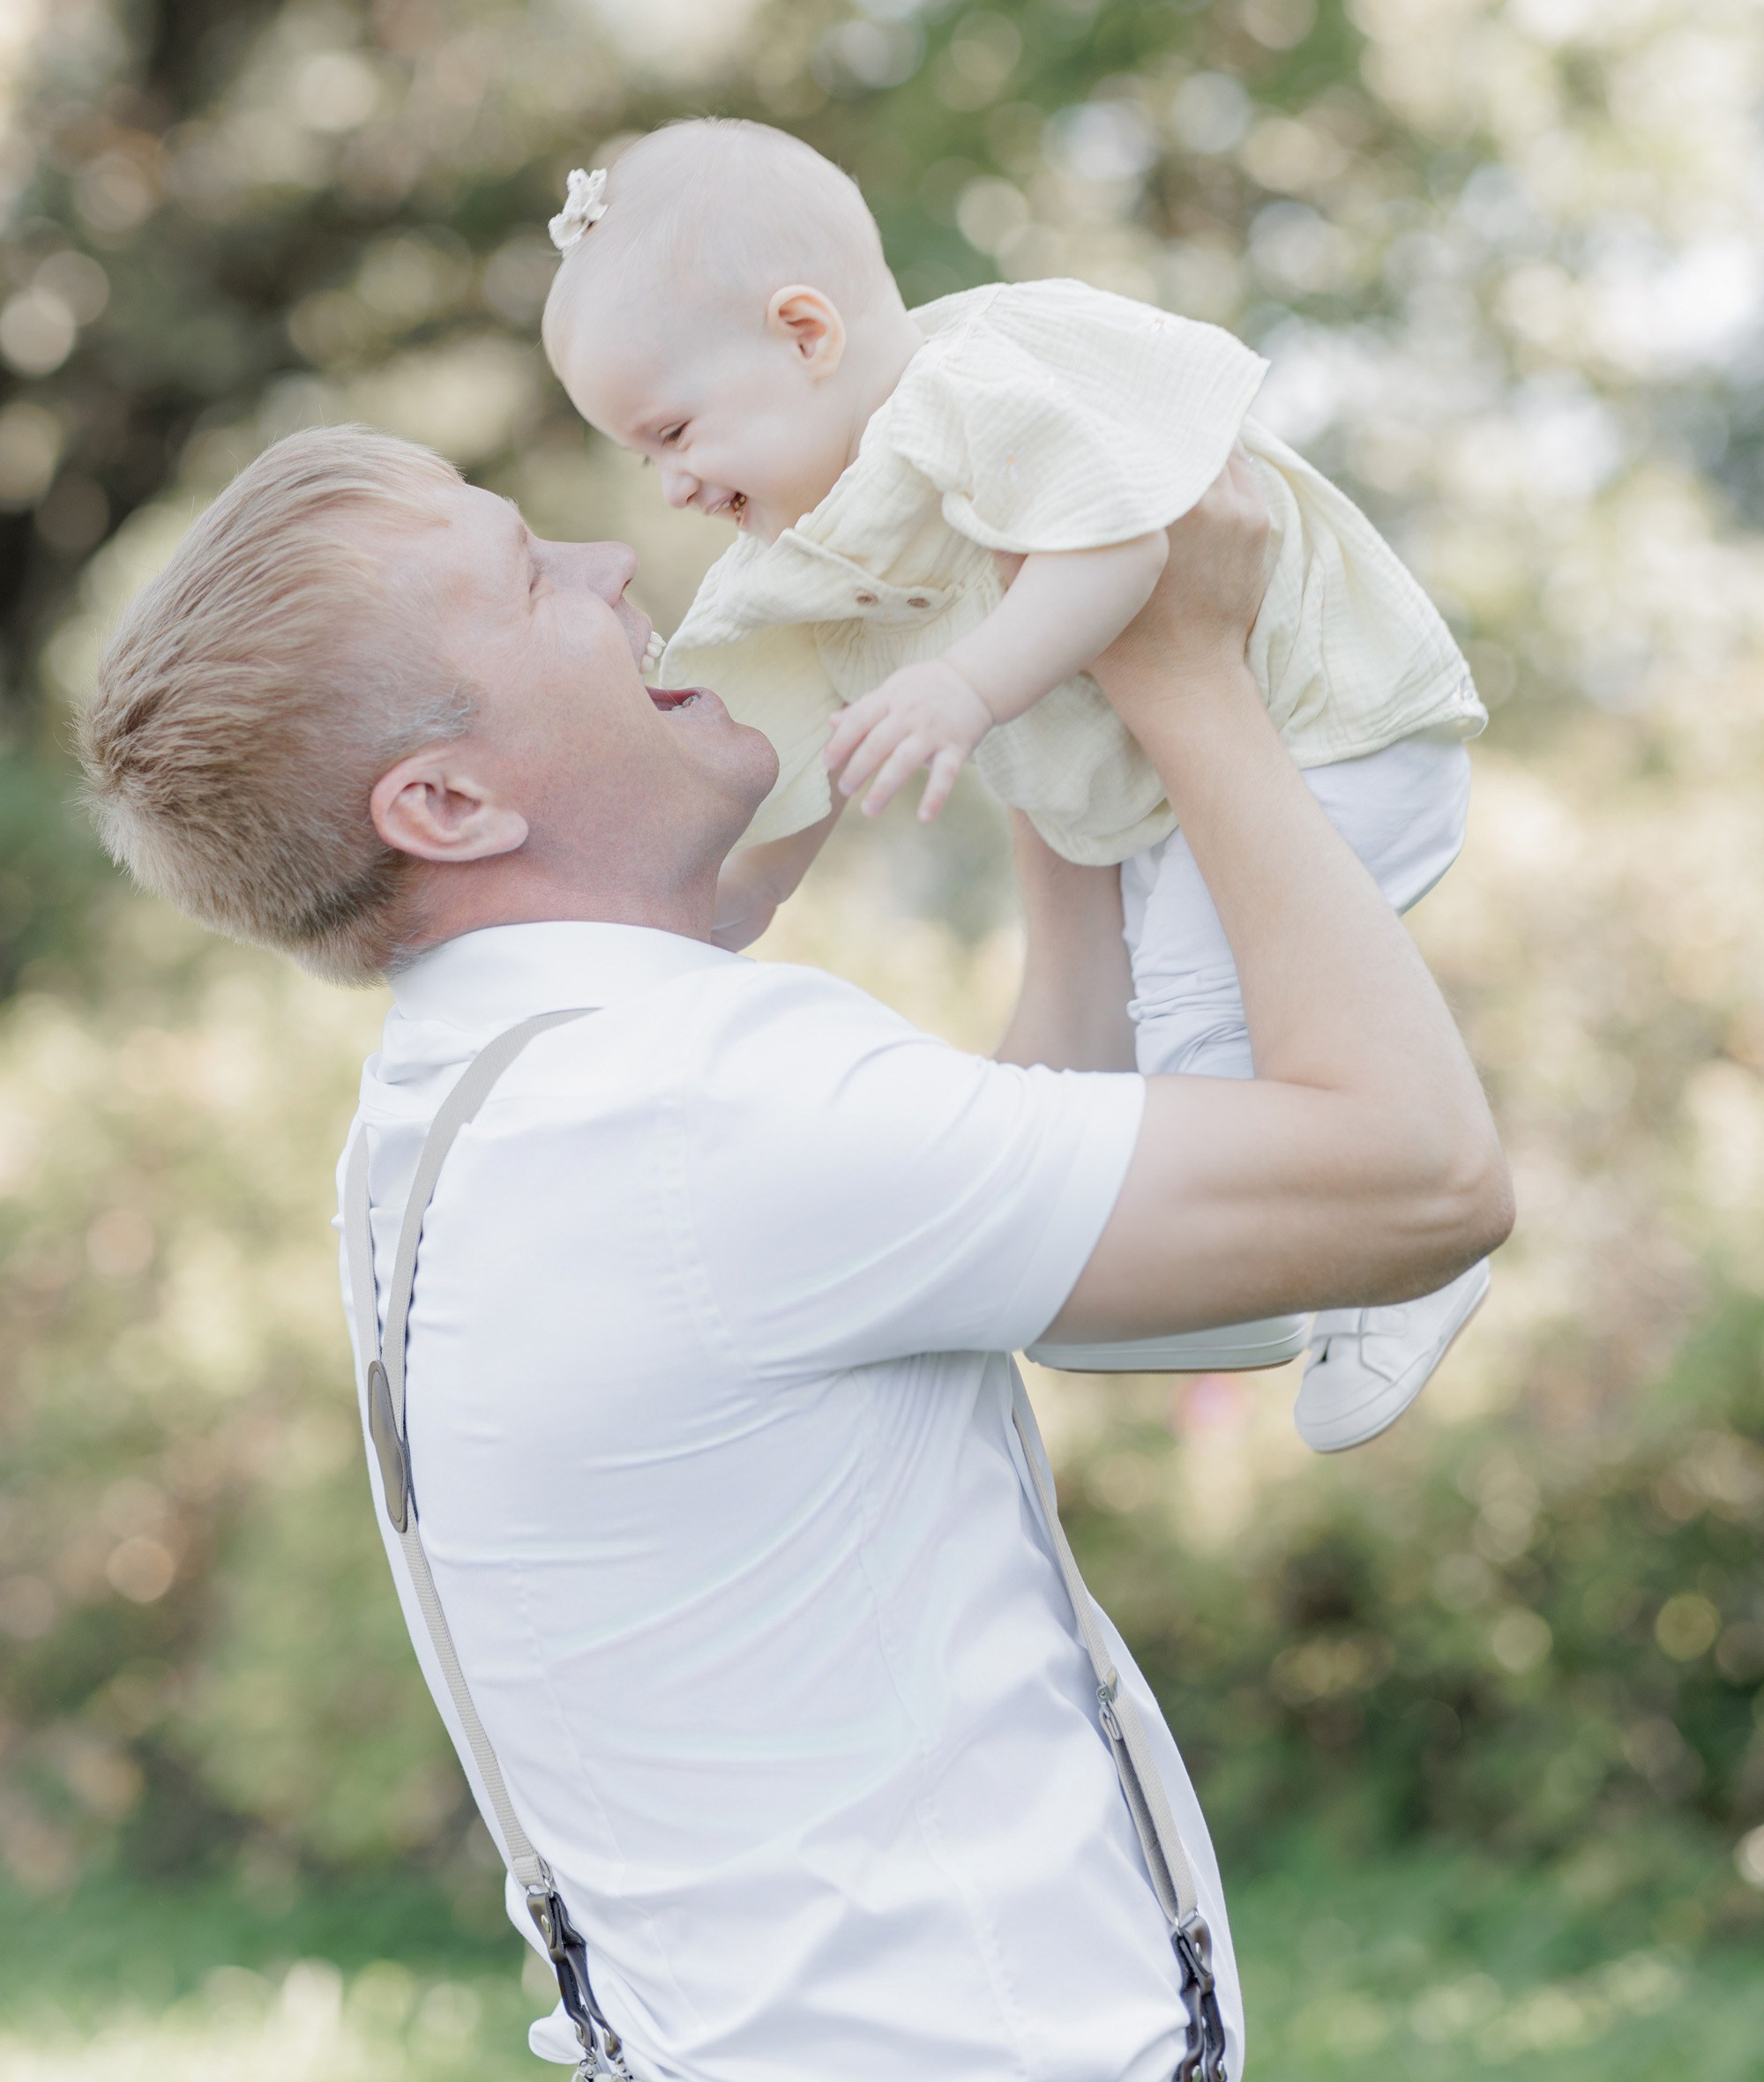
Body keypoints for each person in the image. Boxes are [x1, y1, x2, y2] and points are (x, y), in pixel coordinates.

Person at [79, 422, 1510, 2082]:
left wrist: (1055, 754)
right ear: (450, 802)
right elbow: (1422, 1179)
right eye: (535, 580)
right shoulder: (700, 1106)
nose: (618, 568)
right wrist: (1187, 677)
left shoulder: (457, 1109)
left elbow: (1045, 1221)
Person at [543, 120, 1490, 1451]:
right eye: (641, 456)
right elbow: (784, 738)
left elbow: (1124, 547)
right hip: (1202, 786)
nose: (671, 483)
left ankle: (1394, 1253)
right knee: (1184, 1029)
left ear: (807, 333)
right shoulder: (820, 533)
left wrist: (971, 686)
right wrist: (722, 903)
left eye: (674, 431)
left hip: (1330, 725)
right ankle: (1238, 1281)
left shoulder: (971, 394)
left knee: (1213, 1036)